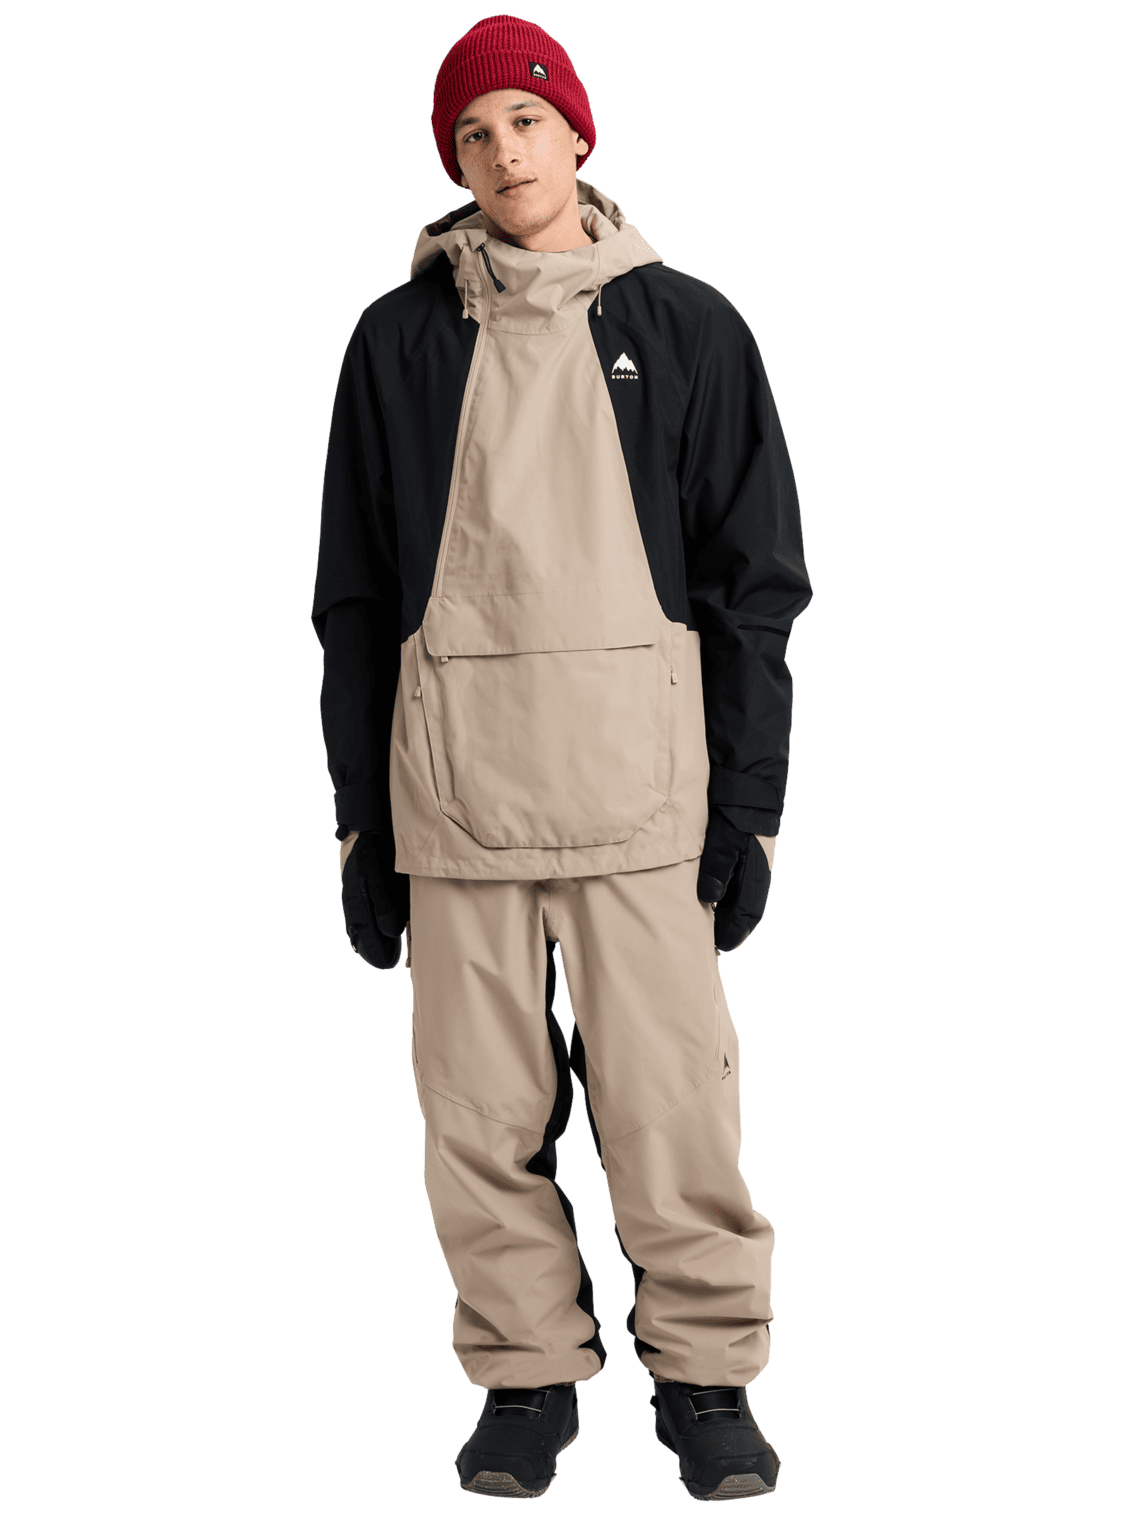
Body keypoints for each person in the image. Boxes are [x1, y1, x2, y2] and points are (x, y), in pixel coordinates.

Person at [310, 13, 813, 1502]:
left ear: (579, 134)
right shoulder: (395, 342)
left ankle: (707, 1378)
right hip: (452, 794)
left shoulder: (691, 326)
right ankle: (525, 1375)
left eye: (524, 120)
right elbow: (354, 598)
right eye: (471, 134)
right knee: (477, 1118)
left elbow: (755, 588)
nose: (501, 151)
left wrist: (754, 807)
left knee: (673, 1110)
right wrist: (359, 822)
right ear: (453, 164)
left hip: (644, 794)